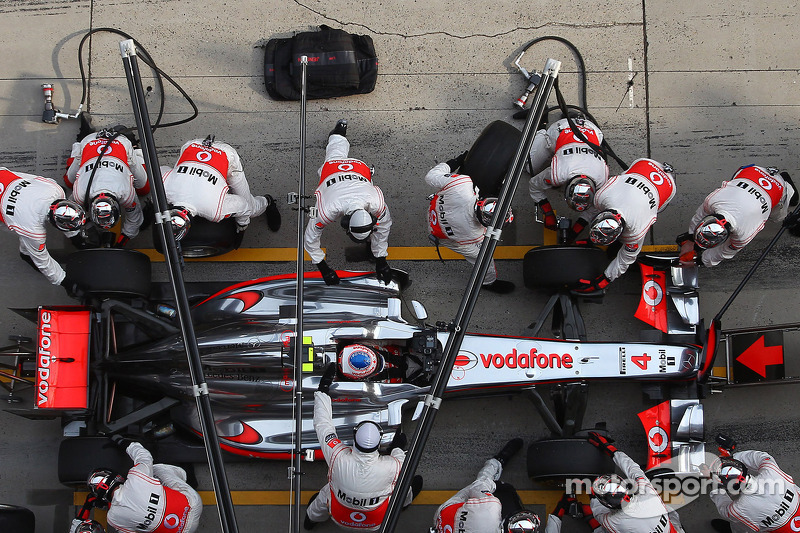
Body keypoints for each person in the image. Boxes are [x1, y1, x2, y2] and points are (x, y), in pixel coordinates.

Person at [304, 364, 422, 530]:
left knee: (324, 495)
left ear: (354, 437)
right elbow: (401, 459)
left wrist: (323, 390)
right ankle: (404, 504)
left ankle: (310, 520)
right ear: (379, 441)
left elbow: (323, 425)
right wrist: (397, 446)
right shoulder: (392, 466)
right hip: (376, 523)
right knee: (407, 484)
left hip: (339, 517)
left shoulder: (337, 456)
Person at [304, 120, 393, 286]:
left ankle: (339, 133)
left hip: (357, 169)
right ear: (344, 223)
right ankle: (337, 133)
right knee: (335, 156)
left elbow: (384, 225)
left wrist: (381, 258)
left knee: (336, 153)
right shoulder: (325, 210)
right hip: (336, 170)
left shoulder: (376, 203)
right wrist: (323, 268)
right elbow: (310, 238)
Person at [575, 158, 676, 292]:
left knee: (623, 247)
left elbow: (626, 258)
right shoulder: (603, 196)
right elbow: (593, 209)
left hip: (666, 187)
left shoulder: (637, 230)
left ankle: (612, 245)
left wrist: (604, 280)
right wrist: (577, 228)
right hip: (643, 166)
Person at [425, 152, 516, 294]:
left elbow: (430, 177)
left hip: (436, 211)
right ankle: (488, 282)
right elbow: (487, 235)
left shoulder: (461, 183)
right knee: (484, 256)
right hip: (445, 236)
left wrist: (456, 161)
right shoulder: (475, 233)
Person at [161, 135, 280, 240]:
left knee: (251, 208)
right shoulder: (162, 188)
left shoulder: (214, 211)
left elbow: (244, 206)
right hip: (193, 146)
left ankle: (268, 202)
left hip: (227, 156)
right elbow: (163, 170)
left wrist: (242, 226)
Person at [677, 165, 796, 267]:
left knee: (778, 217)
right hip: (752, 172)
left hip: (774, 184)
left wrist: (699, 262)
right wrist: (690, 239)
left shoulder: (744, 234)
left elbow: (723, 253)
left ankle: (787, 186)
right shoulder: (714, 200)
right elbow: (698, 217)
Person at [83, 435, 202, 533]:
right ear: (114, 477)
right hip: (193, 505)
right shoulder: (135, 477)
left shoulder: (113, 519)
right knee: (155, 470)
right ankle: (187, 475)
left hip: (181, 532)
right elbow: (144, 456)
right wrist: (122, 441)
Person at [0, 167, 86, 287]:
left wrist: (74, 235)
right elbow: (42, 261)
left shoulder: (55, 189)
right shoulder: (33, 230)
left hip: (4, 176)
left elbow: (35, 180)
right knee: (31, 248)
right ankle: (25, 253)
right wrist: (64, 281)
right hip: (16, 207)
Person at [432, 438, 540, 533]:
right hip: (444, 525)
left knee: (487, 484)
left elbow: (479, 485)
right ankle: (498, 464)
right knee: (484, 487)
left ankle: (498, 462)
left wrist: (492, 485)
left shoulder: (491, 507)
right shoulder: (489, 509)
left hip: (444, 515)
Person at [65, 127, 149, 248]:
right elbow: (68, 213)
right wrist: (77, 237)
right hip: (90, 143)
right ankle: (80, 143)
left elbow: (135, 218)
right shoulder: (79, 193)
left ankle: (134, 148)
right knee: (69, 181)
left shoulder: (126, 192)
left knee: (143, 187)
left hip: (119, 144)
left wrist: (121, 243)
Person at [527, 116, 610, 239]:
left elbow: (596, 207)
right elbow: (534, 185)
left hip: (591, 129)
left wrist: (575, 230)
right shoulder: (558, 174)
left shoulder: (602, 180)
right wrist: (547, 212)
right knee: (529, 168)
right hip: (562, 129)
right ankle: (541, 124)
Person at [585, 432, 685, 533]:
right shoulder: (648, 493)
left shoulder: (614, 521)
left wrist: (593, 496)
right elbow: (633, 469)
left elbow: (598, 514)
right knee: (668, 511)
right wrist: (609, 448)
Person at [702, 435, 800, 533]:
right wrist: (732, 459)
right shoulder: (771, 472)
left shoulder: (738, 509)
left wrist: (712, 481)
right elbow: (762, 457)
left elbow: (723, 507)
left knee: (741, 524)